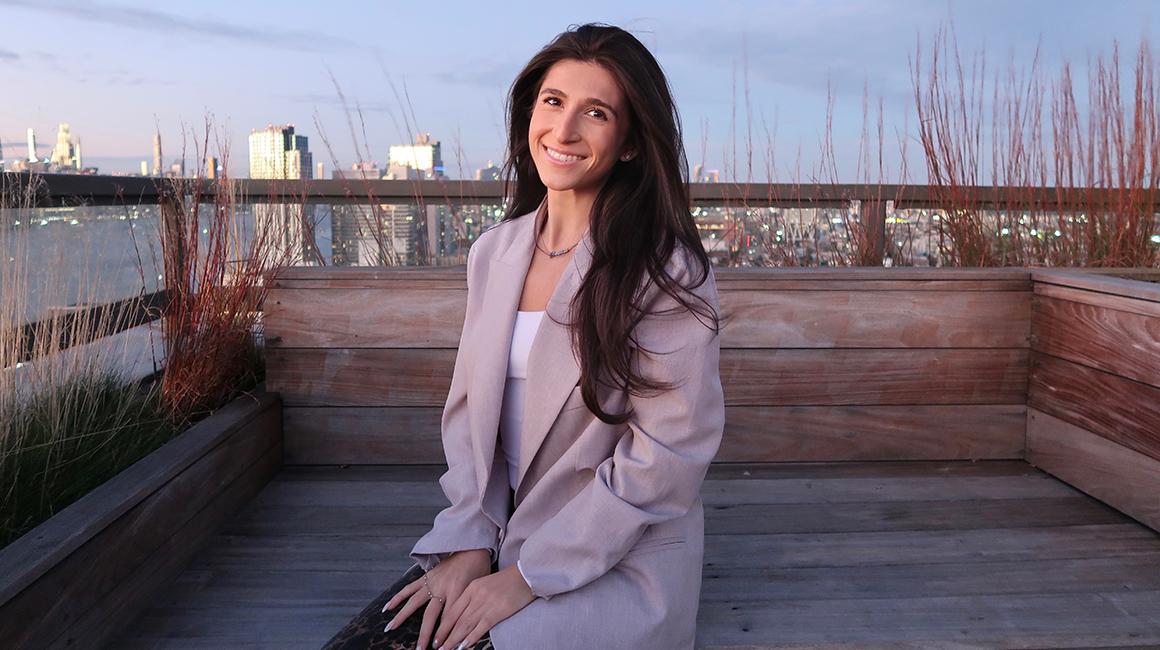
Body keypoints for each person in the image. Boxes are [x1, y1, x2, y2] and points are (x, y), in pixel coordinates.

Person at [322, 22, 724, 650]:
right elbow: (470, 424)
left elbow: (668, 458)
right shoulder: (494, 252)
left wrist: (529, 576)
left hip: (613, 558)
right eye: (553, 101)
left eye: (595, 112)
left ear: (629, 144)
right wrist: (471, 540)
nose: (563, 131)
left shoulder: (665, 272)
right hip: (497, 539)